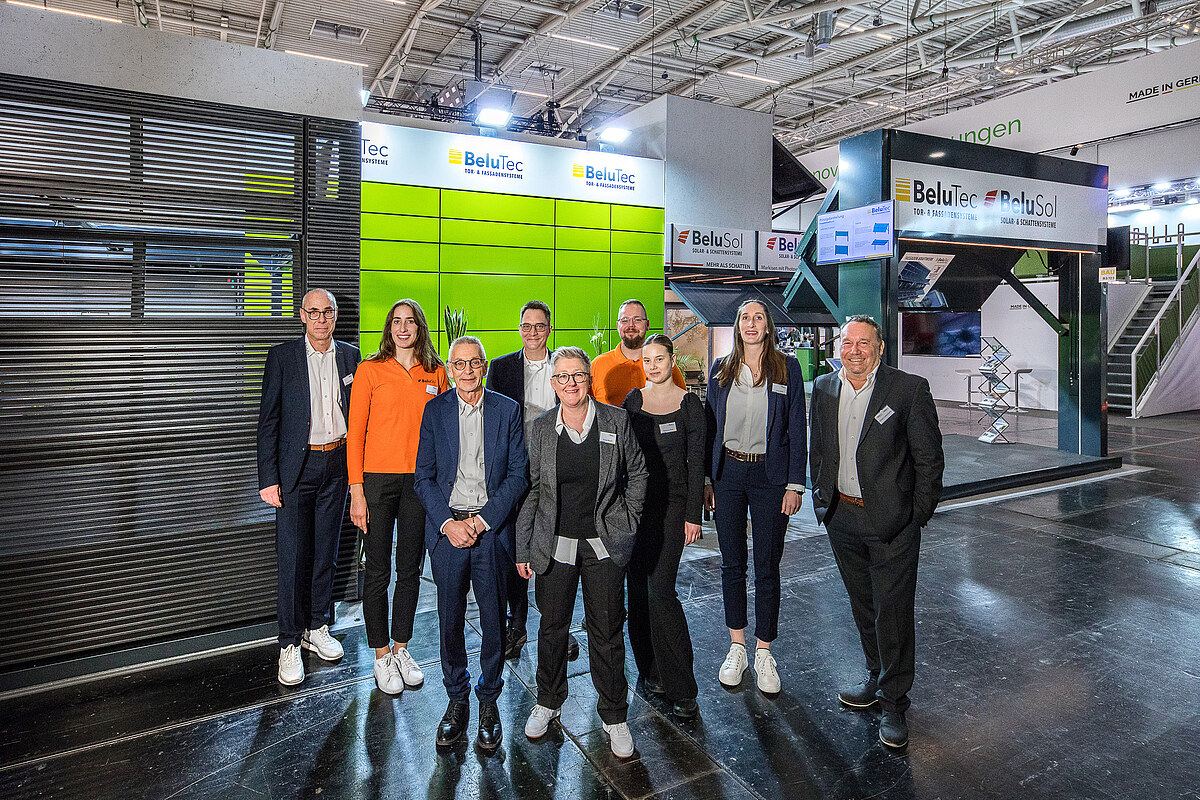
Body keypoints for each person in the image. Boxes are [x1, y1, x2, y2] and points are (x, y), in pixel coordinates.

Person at [809, 315, 944, 750]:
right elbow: (819, 449)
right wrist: (822, 499)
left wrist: (915, 515)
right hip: (842, 517)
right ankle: (875, 676)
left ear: (880, 347)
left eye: (864, 343)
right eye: (848, 342)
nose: (855, 351)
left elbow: (929, 460)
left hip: (891, 523)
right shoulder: (824, 388)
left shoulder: (907, 390)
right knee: (864, 605)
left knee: (894, 613)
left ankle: (895, 703)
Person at [516, 347, 648, 759]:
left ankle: (614, 715)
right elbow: (533, 490)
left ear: (589, 380)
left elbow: (638, 472)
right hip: (554, 544)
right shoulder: (541, 428)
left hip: (603, 545)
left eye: (577, 375)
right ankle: (548, 702)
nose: (570, 383)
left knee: (606, 631)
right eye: (562, 376)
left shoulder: (615, 420)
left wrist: (628, 520)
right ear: (553, 383)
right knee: (552, 628)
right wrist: (524, 546)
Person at [414, 337, 528, 751]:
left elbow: (518, 475)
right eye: (459, 364)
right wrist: (448, 524)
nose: (467, 371)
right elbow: (423, 477)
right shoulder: (435, 411)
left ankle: (489, 699)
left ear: (484, 367)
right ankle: (457, 699)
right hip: (448, 531)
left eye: (474, 363)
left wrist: (481, 521)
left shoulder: (507, 410)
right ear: (449, 369)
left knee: (494, 621)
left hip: (490, 530)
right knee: (449, 620)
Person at [257, 288, 360, 686]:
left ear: (335, 315)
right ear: (302, 315)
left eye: (327, 312)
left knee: (326, 553)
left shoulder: (350, 356)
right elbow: (268, 422)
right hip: (296, 469)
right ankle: (288, 642)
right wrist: (269, 479)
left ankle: (317, 626)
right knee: (292, 557)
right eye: (313, 312)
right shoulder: (282, 357)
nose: (321, 319)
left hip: (337, 463)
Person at [704, 299, 807, 695]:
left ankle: (764, 650)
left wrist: (795, 484)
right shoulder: (721, 369)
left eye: (758, 318)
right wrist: (707, 480)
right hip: (728, 474)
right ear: (737, 326)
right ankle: (737, 647)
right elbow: (710, 427)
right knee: (732, 563)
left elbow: (796, 426)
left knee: (767, 565)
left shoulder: (787, 368)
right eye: (744, 318)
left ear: (767, 326)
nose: (750, 324)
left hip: (770, 477)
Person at [347, 299, 448, 695]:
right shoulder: (369, 370)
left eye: (410, 322)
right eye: (396, 322)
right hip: (376, 481)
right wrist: (356, 491)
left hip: (419, 483)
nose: (403, 328)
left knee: (410, 570)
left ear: (420, 327)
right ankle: (380, 654)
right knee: (377, 571)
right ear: (389, 328)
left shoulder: (436, 372)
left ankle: (402, 648)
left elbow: (445, 431)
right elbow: (355, 434)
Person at [484, 300, 578, 662]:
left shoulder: (564, 366)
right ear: (519, 329)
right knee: (515, 551)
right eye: (527, 326)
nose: (533, 332)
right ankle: (517, 625)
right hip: (515, 473)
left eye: (539, 326)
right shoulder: (502, 368)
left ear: (550, 329)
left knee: (558, 552)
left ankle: (559, 627)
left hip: (557, 470)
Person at [621, 334, 704, 720]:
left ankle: (682, 687)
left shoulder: (690, 405)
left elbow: (696, 463)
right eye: (647, 360)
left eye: (659, 358)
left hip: (672, 509)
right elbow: (622, 458)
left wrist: (693, 516)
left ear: (672, 361)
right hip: (636, 510)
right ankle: (650, 671)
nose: (653, 365)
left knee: (661, 591)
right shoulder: (633, 401)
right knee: (637, 591)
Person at [590, 299, 685, 405]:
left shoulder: (665, 366)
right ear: (618, 326)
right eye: (625, 320)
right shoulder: (597, 365)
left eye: (637, 320)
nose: (631, 325)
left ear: (647, 324)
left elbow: (682, 404)